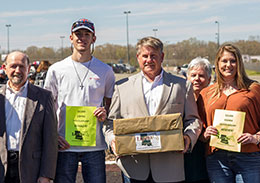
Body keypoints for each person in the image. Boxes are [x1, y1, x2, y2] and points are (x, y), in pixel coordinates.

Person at [105, 36, 201, 182]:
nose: (149, 60)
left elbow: (193, 120)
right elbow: (110, 122)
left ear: (161, 57)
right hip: (134, 167)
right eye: (145, 56)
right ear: (138, 58)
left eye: (153, 56)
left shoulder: (182, 86)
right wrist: (112, 140)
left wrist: (189, 137)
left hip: (169, 168)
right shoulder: (121, 87)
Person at [44, 18, 115, 183]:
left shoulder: (106, 71)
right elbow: (47, 108)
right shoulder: (56, 69)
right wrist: (53, 135)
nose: (82, 38)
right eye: (78, 34)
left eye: (86, 34)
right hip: (65, 145)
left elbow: (112, 106)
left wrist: (105, 113)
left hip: (95, 146)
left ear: (93, 39)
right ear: (71, 38)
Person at [197, 43, 260, 183]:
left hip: (248, 156)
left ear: (239, 63)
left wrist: (256, 138)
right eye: (224, 61)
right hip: (217, 158)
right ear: (217, 64)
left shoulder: (254, 89)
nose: (228, 65)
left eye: (233, 61)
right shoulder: (206, 93)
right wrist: (204, 134)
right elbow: (198, 125)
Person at [0, 51, 58, 183]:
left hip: (31, 169)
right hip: (2, 168)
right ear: (5, 68)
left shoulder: (44, 97)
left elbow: (50, 139)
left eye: (21, 66)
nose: (17, 70)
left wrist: (46, 174)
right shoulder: (0, 97)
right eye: (13, 66)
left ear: (28, 68)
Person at [184, 57, 212, 183]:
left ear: (209, 79)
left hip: (206, 154)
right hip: (185, 153)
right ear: (187, 77)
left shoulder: (214, 102)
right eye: (193, 75)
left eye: (201, 76)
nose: (196, 79)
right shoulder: (180, 99)